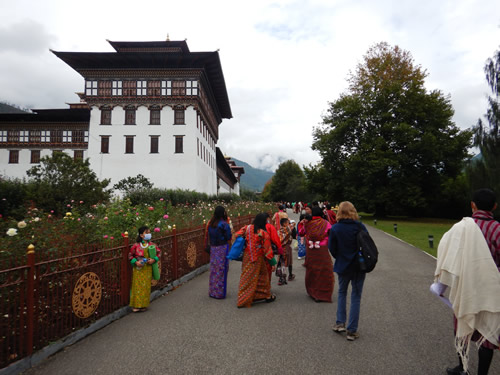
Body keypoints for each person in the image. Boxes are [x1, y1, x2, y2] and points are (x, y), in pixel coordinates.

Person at [434, 189, 500, 375]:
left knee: (462, 325)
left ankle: (462, 368)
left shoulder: (460, 228)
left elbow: (448, 253)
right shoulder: (497, 229)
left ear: (473, 205)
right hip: (492, 290)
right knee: (488, 332)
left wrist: (442, 282)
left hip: (465, 288)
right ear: (494, 206)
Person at [329, 201, 368, 341]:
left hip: (343, 265)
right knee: (356, 296)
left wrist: (340, 256)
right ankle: (352, 330)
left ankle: (340, 323)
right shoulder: (359, 227)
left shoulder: (335, 228)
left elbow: (332, 248)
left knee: (342, 293)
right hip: (359, 265)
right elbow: (367, 243)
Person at [236, 213, 278, 308]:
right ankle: (243, 301)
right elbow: (267, 250)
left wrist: (247, 242)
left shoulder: (246, 228)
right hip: (258, 258)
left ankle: (265, 295)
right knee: (252, 278)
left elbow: (237, 235)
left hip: (247, 257)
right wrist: (273, 263)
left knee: (259, 276)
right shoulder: (263, 233)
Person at [299, 206, 334, 302]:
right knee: (324, 271)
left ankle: (312, 291)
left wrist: (302, 224)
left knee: (312, 270)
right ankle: (323, 293)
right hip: (322, 249)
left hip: (310, 250)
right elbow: (331, 234)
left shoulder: (307, 223)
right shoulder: (326, 223)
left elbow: (301, 233)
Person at [128, 226, 161, 313]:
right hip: (138, 269)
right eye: (147, 233)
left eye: (149, 232)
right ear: (141, 235)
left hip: (148, 269)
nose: (149, 234)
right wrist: (136, 262)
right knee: (137, 287)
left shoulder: (152, 245)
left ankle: (143, 305)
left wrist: (154, 260)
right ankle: (136, 305)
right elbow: (130, 256)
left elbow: (159, 253)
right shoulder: (136, 246)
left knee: (146, 287)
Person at [206, 206, 232, 299]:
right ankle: (219, 292)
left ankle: (213, 291)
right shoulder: (224, 224)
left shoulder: (211, 224)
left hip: (213, 249)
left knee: (214, 270)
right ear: (223, 213)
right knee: (222, 270)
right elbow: (229, 236)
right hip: (222, 249)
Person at [277, 217, 295, 285]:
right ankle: (287, 276)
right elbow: (293, 224)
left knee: (282, 263)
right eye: (288, 222)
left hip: (281, 248)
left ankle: (282, 278)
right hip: (287, 248)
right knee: (288, 263)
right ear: (284, 224)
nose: (289, 224)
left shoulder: (279, 231)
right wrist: (290, 221)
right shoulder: (288, 229)